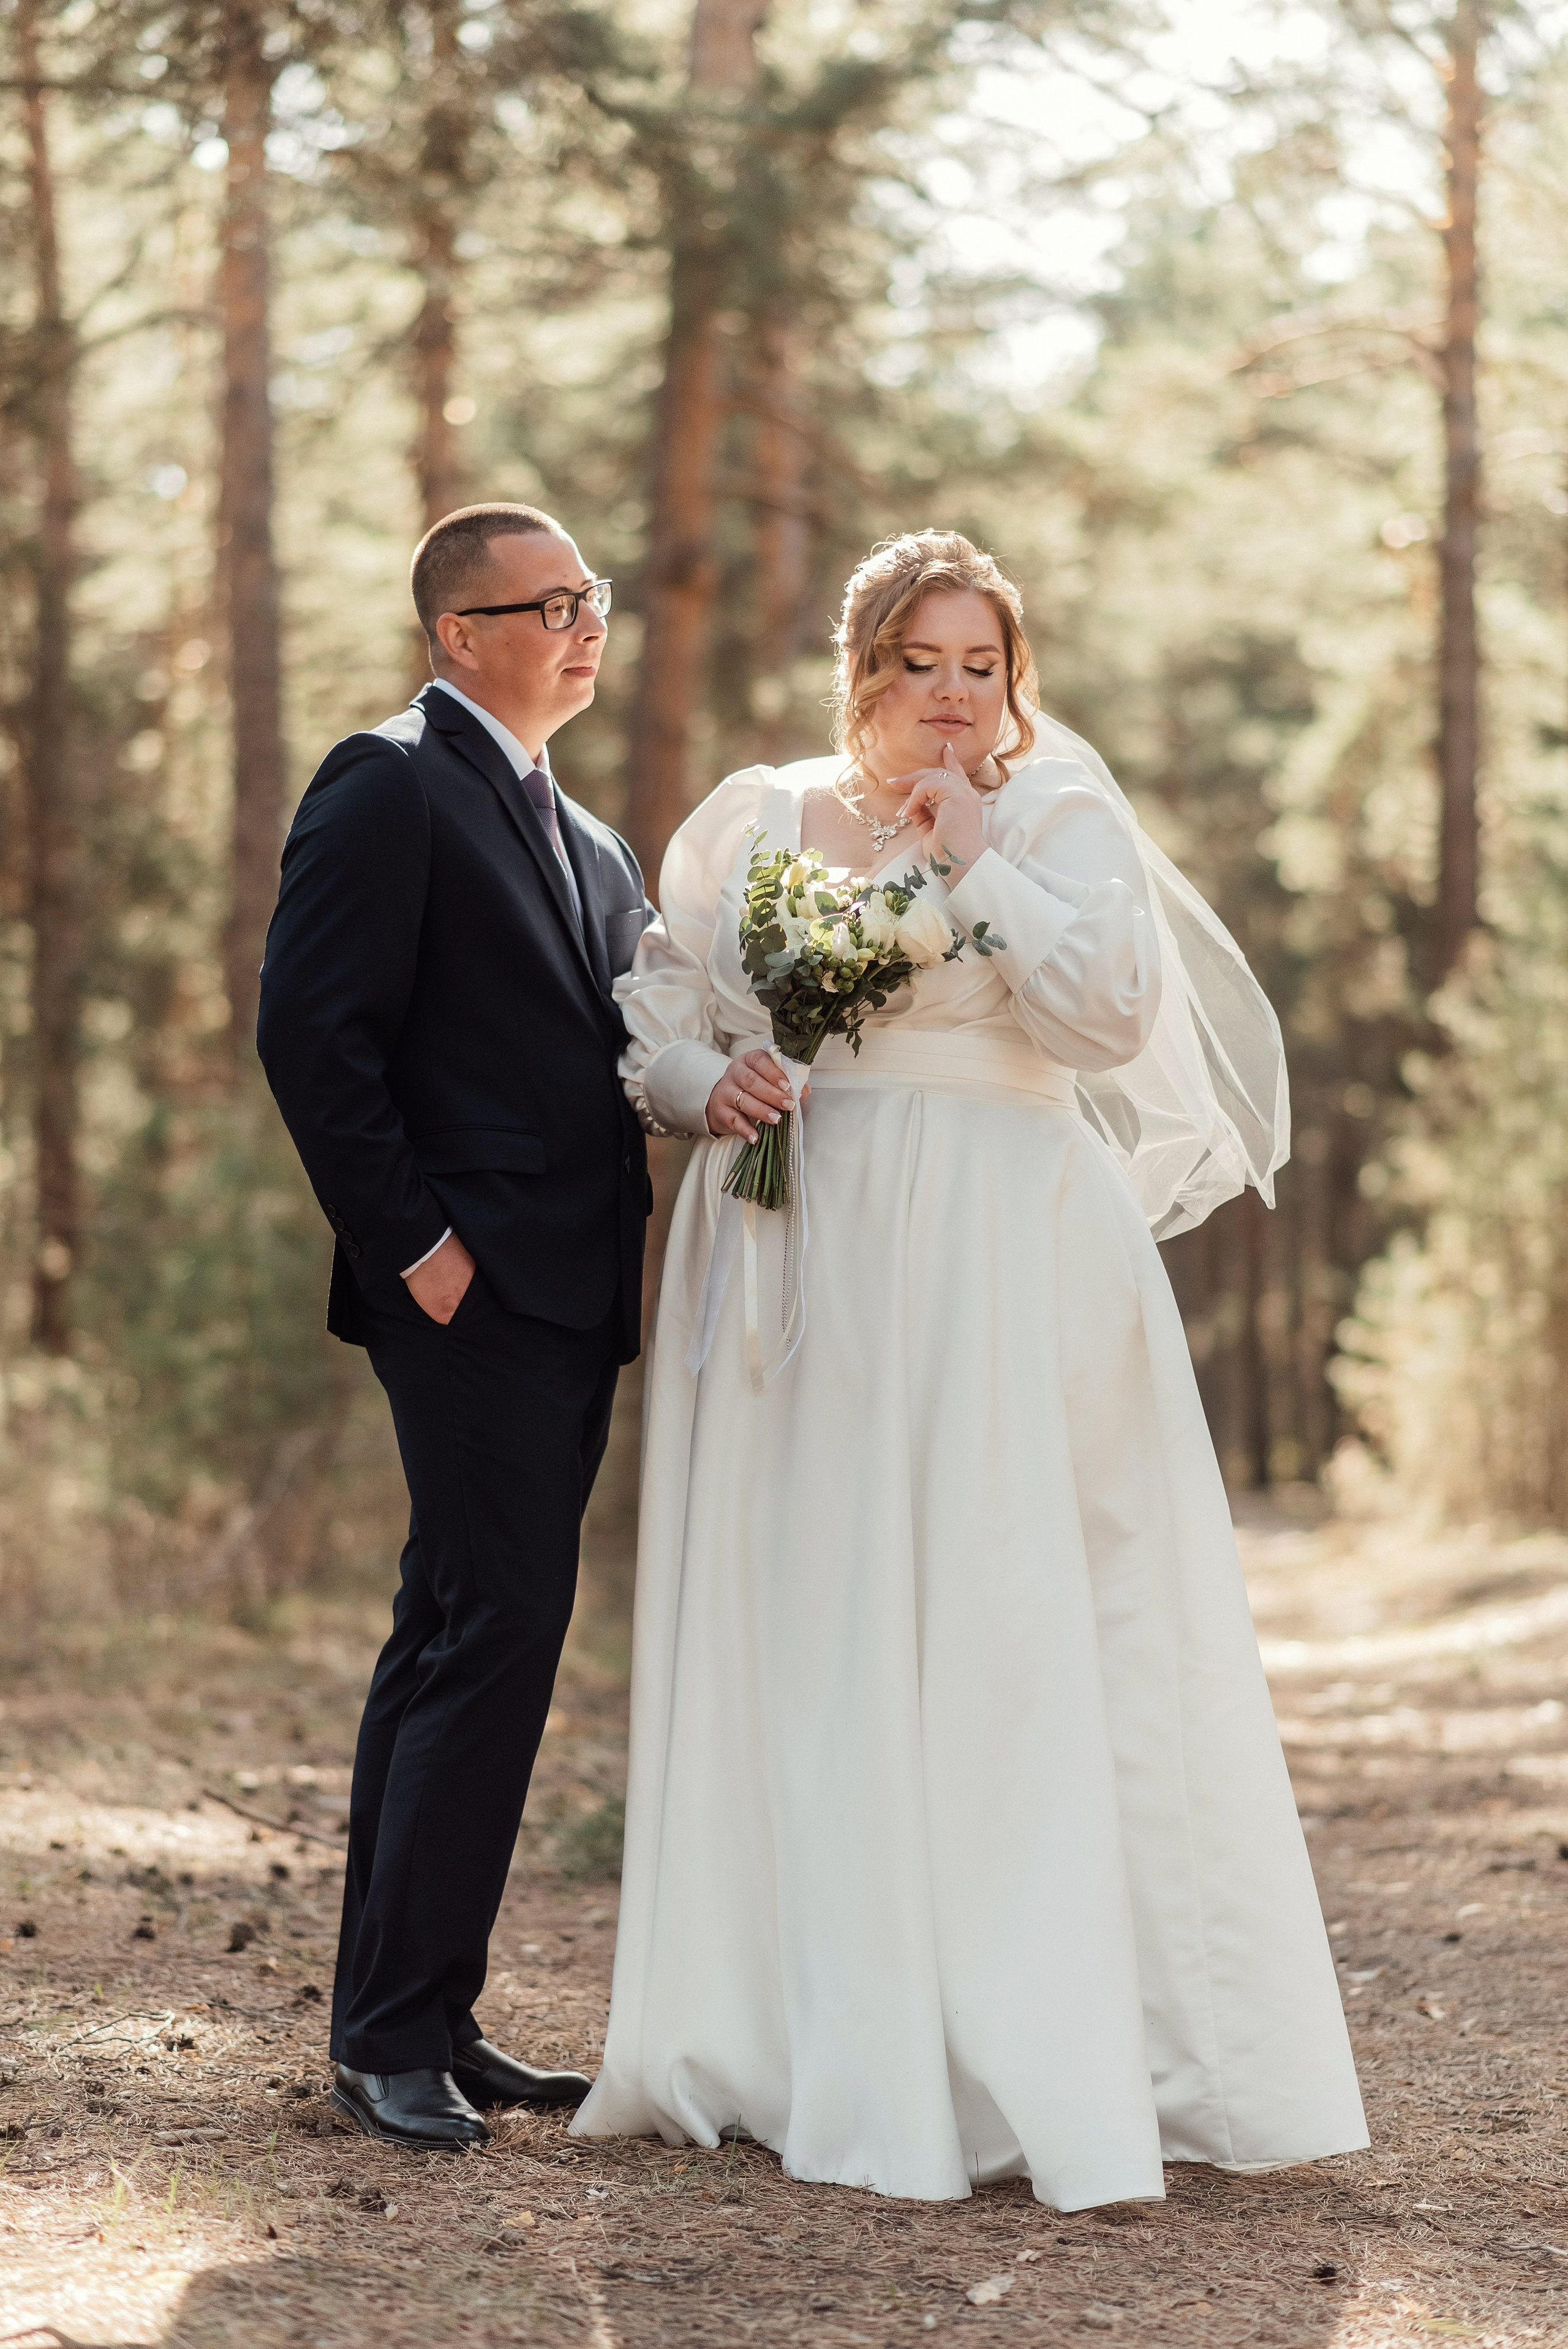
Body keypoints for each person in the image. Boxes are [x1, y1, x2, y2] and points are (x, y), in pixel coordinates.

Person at [571, 530, 1366, 2207]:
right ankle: (790, 2026)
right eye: (917, 662)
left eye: (980, 666)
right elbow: (664, 1006)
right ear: (860, 670)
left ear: (1015, 678)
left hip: (999, 1250)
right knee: (812, 1605)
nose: (950, 695)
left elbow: (1109, 1020)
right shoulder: (758, 814)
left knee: (1004, 1604)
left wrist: (980, 862)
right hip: (793, 1242)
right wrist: (705, 1085)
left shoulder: (1058, 812)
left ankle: (1023, 2039)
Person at [257, 502, 652, 2153]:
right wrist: (416, 1245)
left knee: (458, 1632)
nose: (583, 622)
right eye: (546, 603)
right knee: (489, 1631)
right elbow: (310, 1032)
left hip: (574, 1295)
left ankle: (423, 2014)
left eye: (590, 595)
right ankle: (387, 2037)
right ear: (456, 634)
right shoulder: (388, 780)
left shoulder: (592, 839)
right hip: (468, 1290)